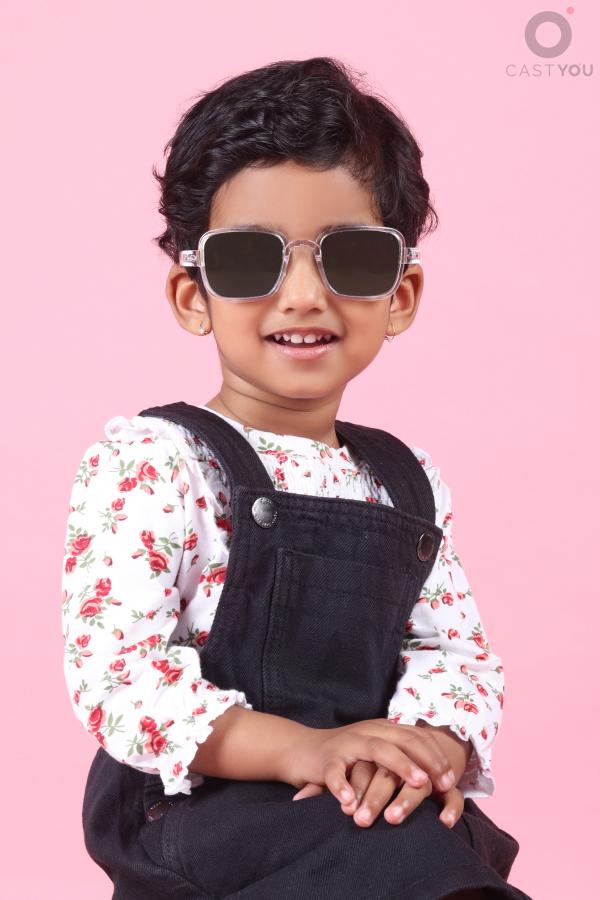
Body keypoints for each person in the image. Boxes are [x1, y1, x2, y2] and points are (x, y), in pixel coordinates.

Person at [61, 57, 531, 899]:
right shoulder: (158, 463)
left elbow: (452, 652)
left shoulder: (405, 483)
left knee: (433, 839)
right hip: (201, 802)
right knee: (393, 859)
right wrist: (304, 750)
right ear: (193, 294)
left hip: (354, 802)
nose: (305, 295)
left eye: (350, 258)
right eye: (252, 260)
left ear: (401, 294)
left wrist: (422, 748)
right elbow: (118, 676)